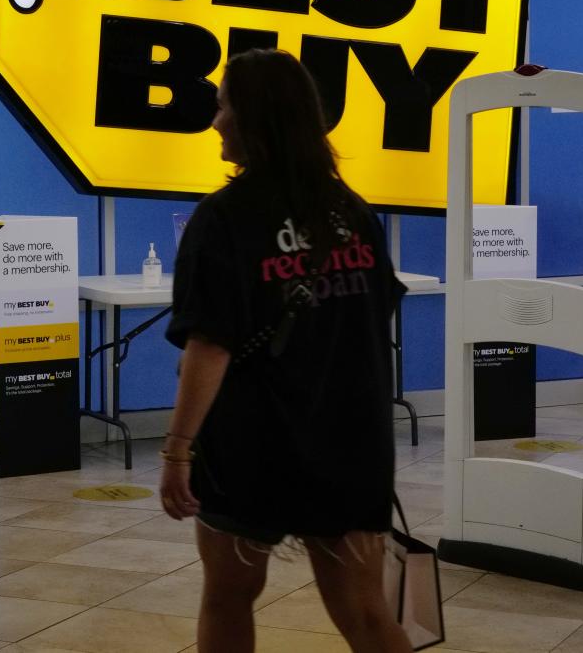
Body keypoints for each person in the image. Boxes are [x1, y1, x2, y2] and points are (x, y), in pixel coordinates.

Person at [161, 49, 410, 653]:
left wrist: (176, 449)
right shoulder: (351, 211)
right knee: (367, 614)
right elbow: (379, 313)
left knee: (228, 596)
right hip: (351, 443)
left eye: (223, 107)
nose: (215, 121)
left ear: (253, 117)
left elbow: (209, 345)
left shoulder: (222, 218)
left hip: (253, 446)